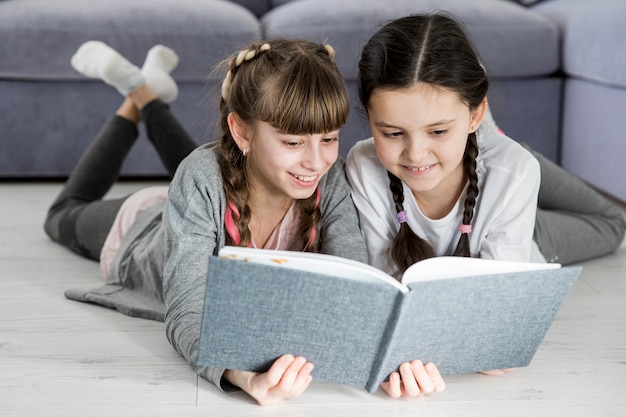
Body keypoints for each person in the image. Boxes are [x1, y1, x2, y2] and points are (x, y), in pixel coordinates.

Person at [44, 38, 443, 405]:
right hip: (143, 229)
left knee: (213, 164)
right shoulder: (201, 177)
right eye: (293, 142)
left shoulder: (327, 177)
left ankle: (146, 92)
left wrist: (391, 358)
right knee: (64, 213)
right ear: (242, 130)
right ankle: (137, 96)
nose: (317, 160)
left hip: (221, 192)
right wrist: (238, 373)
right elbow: (188, 308)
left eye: (329, 138)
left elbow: (356, 286)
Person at [347, 13, 626, 278]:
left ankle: (492, 142)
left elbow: (494, 296)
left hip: (519, 228)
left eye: (438, 130)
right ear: (370, 120)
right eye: (393, 133)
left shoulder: (513, 172)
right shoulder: (362, 163)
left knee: (612, 223)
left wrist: (513, 177)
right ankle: (480, 143)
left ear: (474, 115)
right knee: (505, 169)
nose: (416, 153)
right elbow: (384, 276)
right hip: (486, 194)